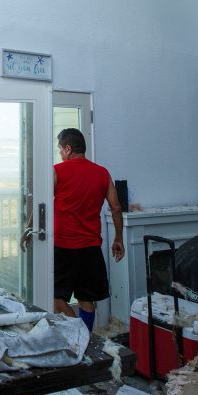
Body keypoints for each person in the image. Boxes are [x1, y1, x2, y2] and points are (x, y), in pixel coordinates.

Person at [49, 127, 124, 331]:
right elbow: (116, 207)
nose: (60, 155)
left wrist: (30, 228)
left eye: (60, 150)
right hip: (91, 247)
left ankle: (82, 335)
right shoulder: (102, 173)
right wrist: (118, 238)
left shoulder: (57, 171)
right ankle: (87, 338)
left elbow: (42, 204)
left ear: (68, 148)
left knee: (56, 298)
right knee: (86, 298)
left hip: (64, 245)